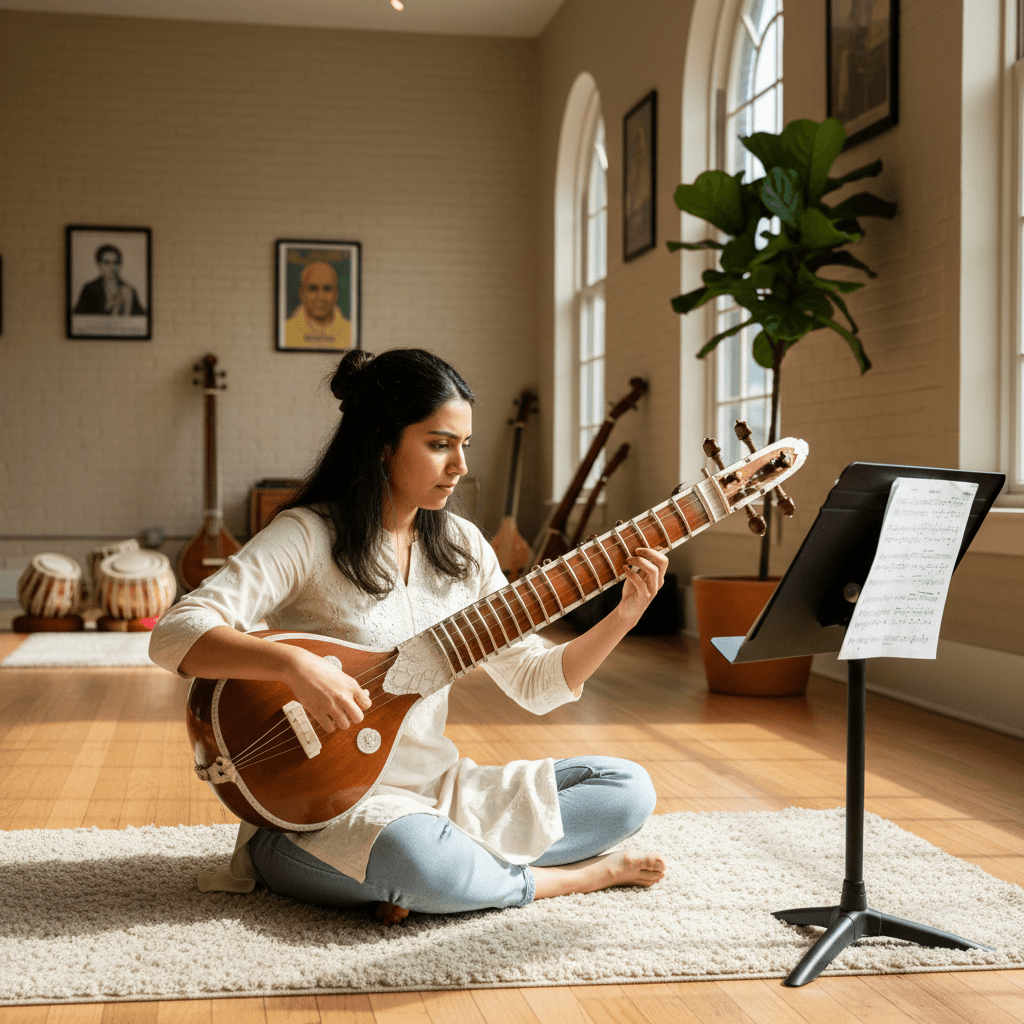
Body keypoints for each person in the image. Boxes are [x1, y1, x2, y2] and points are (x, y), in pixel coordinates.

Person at [150, 348, 668, 925]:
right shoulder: (309, 535)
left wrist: (622, 616)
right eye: (440, 443)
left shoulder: (465, 547)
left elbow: (536, 683)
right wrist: (297, 667)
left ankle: (441, 880)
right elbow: (175, 633)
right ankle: (566, 878)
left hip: (439, 793)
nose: (460, 466)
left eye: (463, 445)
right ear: (382, 444)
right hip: (320, 814)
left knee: (626, 789)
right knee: (416, 858)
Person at [283, 261, 352, 349]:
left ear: (336, 293)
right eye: (313, 288)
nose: (320, 296)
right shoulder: (287, 330)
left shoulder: (349, 330)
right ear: (302, 293)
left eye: (327, 289)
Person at [73, 244, 146, 315]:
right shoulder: (89, 289)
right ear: (99, 265)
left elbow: (142, 320)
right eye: (107, 263)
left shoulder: (130, 290)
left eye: (116, 263)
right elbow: (78, 318)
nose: (112, 267)